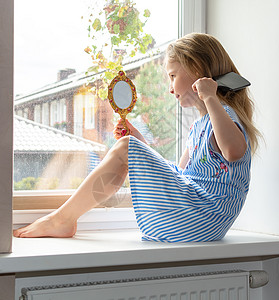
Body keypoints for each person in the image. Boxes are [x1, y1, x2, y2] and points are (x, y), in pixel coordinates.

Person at [13, 33, 260, 242]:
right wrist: (140, 145)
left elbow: (233, 151)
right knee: (127, 148)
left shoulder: (225, 115)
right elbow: (179, 175)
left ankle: (63, 219)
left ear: (197, 69)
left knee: (125, 147)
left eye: (173, 76)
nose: (170, 87)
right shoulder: (200, 127)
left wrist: (210, 97)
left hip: (204, 215)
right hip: (199, 218)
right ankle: (63, 218)